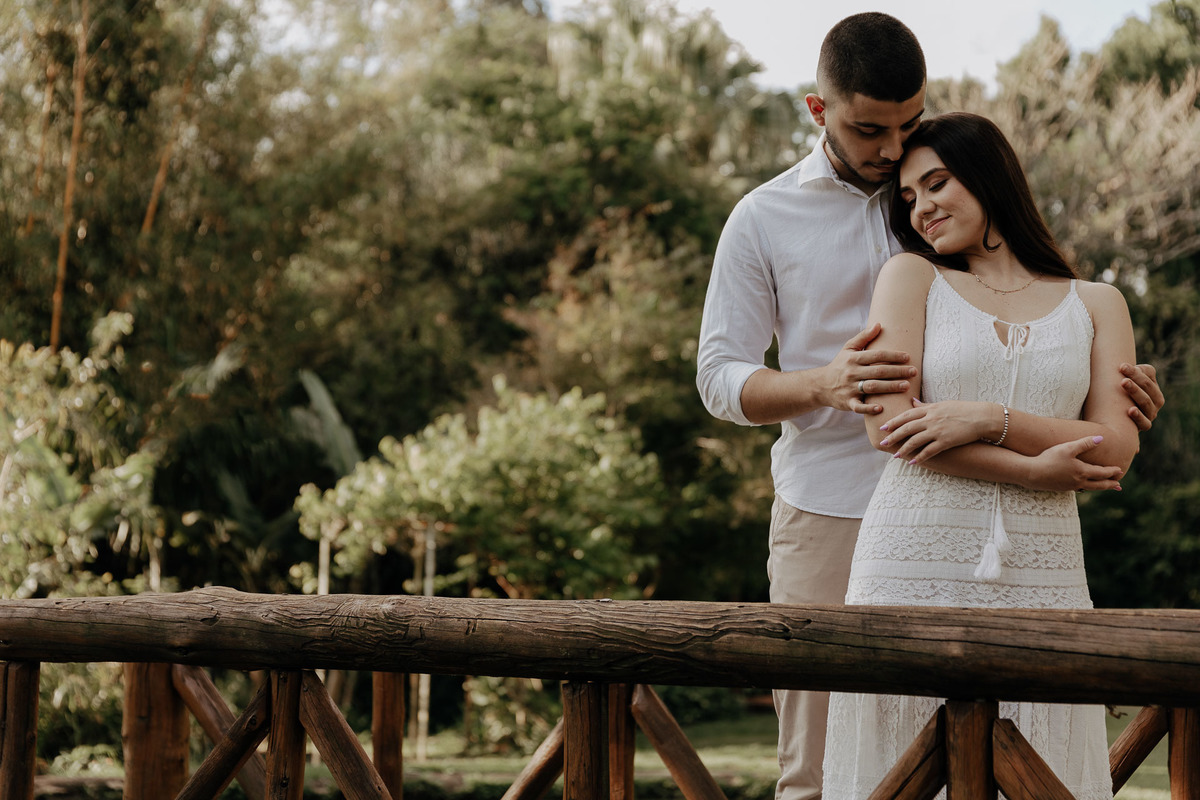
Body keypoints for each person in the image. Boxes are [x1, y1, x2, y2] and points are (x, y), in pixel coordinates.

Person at [695, 12, 1164, 800]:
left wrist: (1091, 380)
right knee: (822, 765)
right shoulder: (764, 217)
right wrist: (821, 383)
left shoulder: (946, 192)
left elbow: (1031, 317)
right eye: (871, 130)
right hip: (834, 508)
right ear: (820, 112)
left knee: (1015, 752)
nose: (892, 151)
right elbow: (717, 376)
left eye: (911, 125)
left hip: (998, 513)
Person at [820, 112, 1135, 800]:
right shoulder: (911, 279)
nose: (922, 207)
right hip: (911, 562)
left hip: (1044, 574)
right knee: (900, 774)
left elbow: (1113, 448)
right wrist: (1031, 467)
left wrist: (987, 418)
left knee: (1043, 772)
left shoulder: (1098, 303)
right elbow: (892, 431)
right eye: (908, 197)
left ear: (990, 178)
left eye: (937, 183)